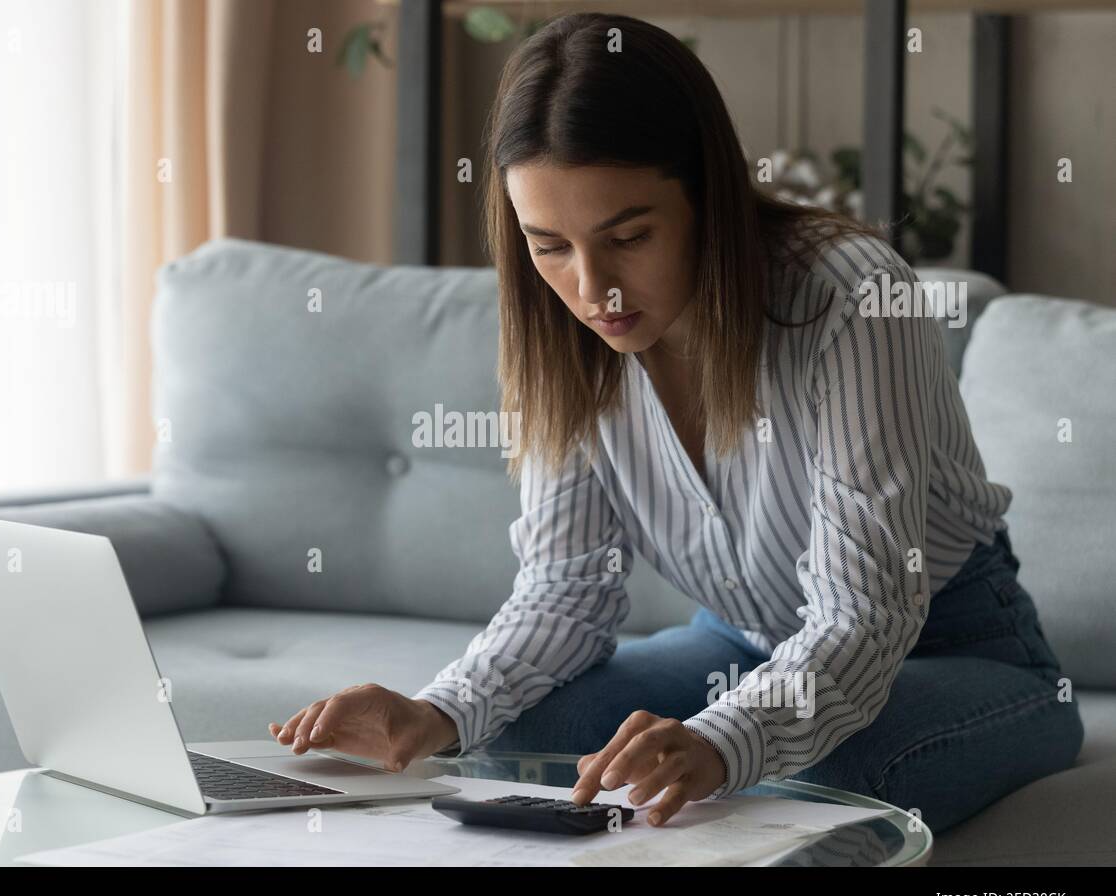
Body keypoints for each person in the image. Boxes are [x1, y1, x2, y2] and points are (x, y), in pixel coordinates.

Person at [268, 12, 1083, 833]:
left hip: (959, 649)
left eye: (629, 236)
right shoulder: (567, 337)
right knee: (523, 734)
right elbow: (563, 592)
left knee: (823, 773)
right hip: (743, 642)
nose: (594, 291)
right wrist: (433, 712)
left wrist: (724, 741)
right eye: (548, 245)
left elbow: (860, 617)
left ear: (707, 195)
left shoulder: (850, 297)